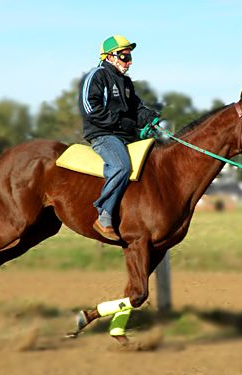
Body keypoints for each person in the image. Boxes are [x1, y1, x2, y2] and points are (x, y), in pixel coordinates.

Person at [79, 35, 159, 241]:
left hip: (125, 136)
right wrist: (122, 123)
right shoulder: (96, 76)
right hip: (103, 135)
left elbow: (137, 109)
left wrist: (150, 117)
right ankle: (104, 215)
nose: (129, 61)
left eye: (129, 56)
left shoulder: (126, 82)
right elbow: (91, 109)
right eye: (125, 56)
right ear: (110, 56)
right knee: (122, 167)